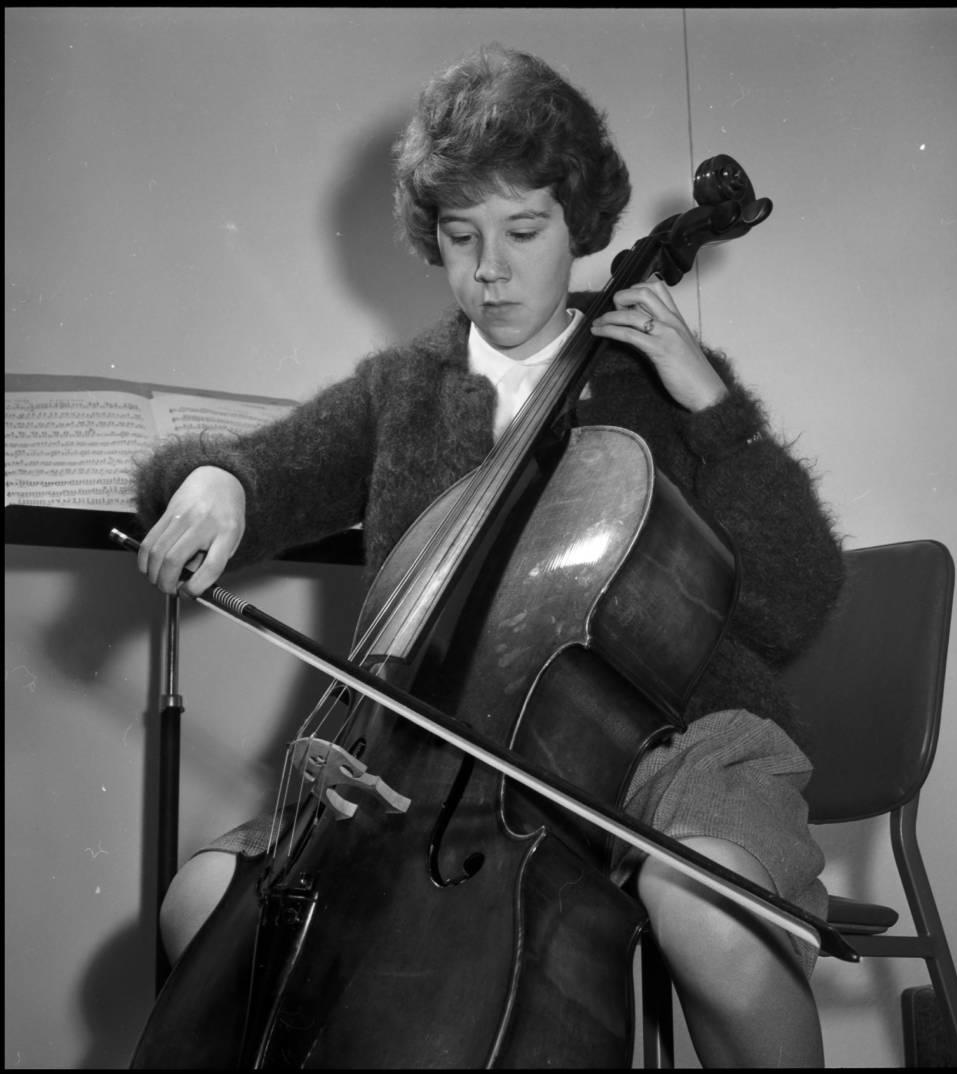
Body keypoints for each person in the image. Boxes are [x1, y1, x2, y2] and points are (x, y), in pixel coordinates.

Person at [132, 44, 843, 1068]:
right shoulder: (404, 389)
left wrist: (717, 410)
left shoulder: (656, 369)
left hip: (672, 748)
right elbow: (269, 471)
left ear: (580, 226)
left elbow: (795, 598)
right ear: (432, 239)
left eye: (524, 230)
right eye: (462, 237)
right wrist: (220, 484)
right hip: (434, 774)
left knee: (708, 916)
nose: (492, 269)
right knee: (205, 902)